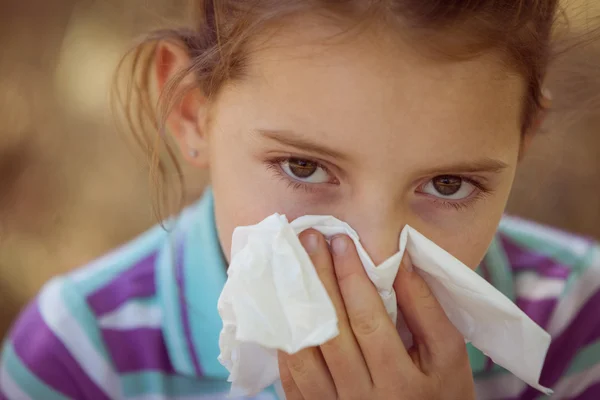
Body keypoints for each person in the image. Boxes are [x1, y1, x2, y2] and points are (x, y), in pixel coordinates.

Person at [1, 1, 599, 399]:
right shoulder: (82, 357)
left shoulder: (577, 322)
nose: (375, 253)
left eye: (448, 185)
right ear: (190, 111)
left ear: (522, 140)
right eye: (305, 167)